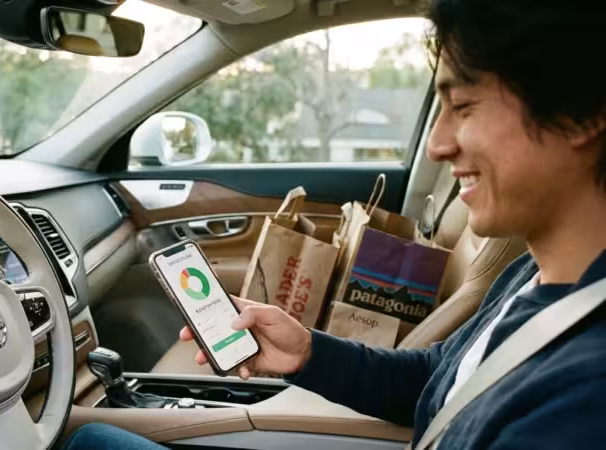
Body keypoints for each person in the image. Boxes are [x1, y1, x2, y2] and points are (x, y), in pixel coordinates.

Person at [67, 0, 606, 448]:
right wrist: (307, 352)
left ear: (584, 113)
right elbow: (436, 379)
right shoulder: (532, 277)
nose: (440, 145)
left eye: (463, 107)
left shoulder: (584, 398)